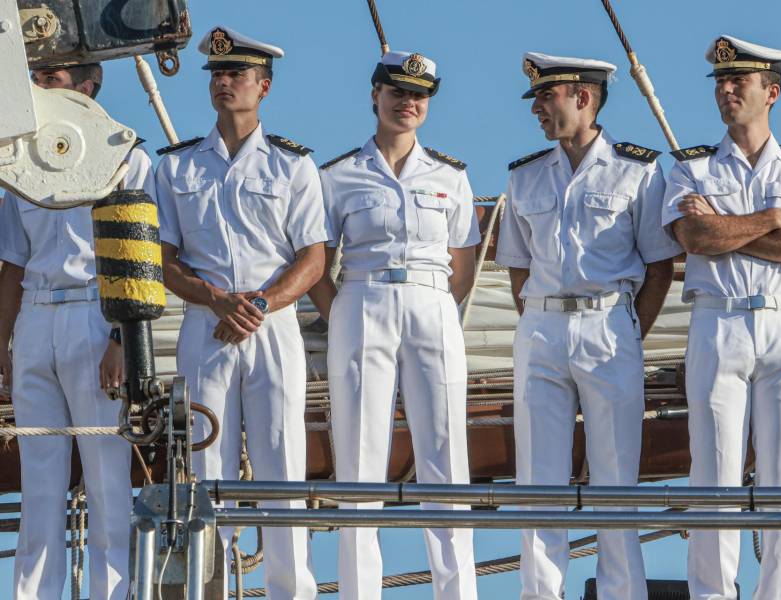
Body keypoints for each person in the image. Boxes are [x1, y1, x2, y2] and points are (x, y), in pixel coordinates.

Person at [496, 53, 681, 600]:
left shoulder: (639, 170)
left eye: (544, 96)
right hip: (541, 327)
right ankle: (540, 593)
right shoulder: (523, 173)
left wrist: (627, 330)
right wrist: (540, 318)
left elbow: (659, 264)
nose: (535, 108)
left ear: (583, 97)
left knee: (616, 477)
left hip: (610, 326)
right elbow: (518, 267)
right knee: (537, 480)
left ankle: (623, 593)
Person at [155, 26, 328, 599]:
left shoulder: (292, 166)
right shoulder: (175, 168)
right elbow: (165, 261)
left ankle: (291, 592)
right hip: (206, 326)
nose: (223, 81)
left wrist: (256, 304)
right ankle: (211, 591)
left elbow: (312, 258)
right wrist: (216, 300)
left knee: (283, 466)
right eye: (217, 75)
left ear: (264, 86)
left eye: (236, 74)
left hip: (271, 326)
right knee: (206, 473)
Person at [309, 50, 480, 600]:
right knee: (360, 459)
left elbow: (464, 263)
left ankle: (457, 592)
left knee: (446, 458)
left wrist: (431, 303)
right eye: (398, 92)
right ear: (375, 97)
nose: (409, 103)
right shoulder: (338, 175)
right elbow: (318, 261)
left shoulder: (451, 175)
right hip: (362, 299)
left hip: (432, 303)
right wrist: (343, 314)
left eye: (419, 96)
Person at [662, 35, 781, 600]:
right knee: (712, 475)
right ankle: (712, 594)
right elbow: (694, 236)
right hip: (717, 321)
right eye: (720, 83)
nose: (726, 91)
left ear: (771, 92)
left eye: (739, 82)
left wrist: (732, 226)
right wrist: (772, 219)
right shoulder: (690, 168)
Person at [0, 62, 154, 599]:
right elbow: (13, 264)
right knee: (39, 476)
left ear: (87, 86)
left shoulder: (127, 157)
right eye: (35, 75)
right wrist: (3, 343)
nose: (37, 84)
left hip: (96, 311)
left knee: (107, 473)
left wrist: (120, 339)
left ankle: (111, 593)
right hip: (36, 317)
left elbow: (136, 258)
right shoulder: (18, 164)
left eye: (52, 76)